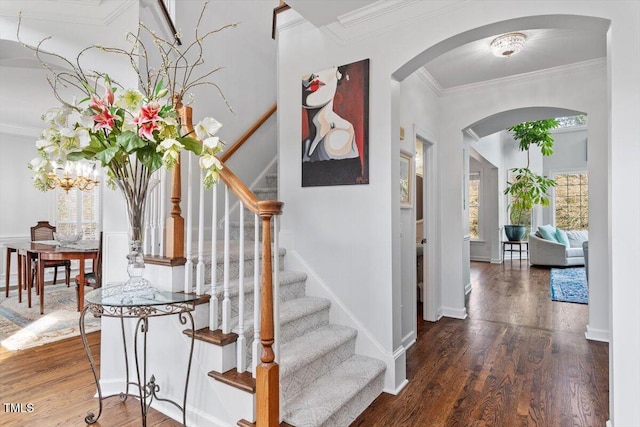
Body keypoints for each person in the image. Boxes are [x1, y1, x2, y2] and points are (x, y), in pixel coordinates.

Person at [301, 65, 363, 186]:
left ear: (339, 73)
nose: (308, 77)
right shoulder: (306, 144)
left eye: (323, 66)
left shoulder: (340, 136)